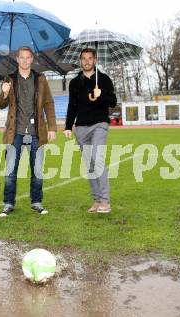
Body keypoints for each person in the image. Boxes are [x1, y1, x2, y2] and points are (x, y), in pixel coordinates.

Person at [0, 46, 57, 217]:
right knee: (10, 171)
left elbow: (48, 104)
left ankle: (36, 202)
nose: (24, 60)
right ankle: (8, 203)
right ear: (17, 59)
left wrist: (52, 128)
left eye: (27, 57)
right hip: (14, 132)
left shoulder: (40, 79)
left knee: (37, 170)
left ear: (32, 60)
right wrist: (4, 93)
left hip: (36, 131)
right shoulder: (9, 79)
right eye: (21, 57)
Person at [63, 48, 117, 213]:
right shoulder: (74, 82)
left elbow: (113, 102)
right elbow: (72, 106)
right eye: (84, 59)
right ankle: (96, 200)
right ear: (80, 61)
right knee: (90, 166)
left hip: (99, 125)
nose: (87, 61)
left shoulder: (104, 79)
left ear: (95, 60)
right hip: (81, 128)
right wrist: (68, 126)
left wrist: (100, 95)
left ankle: (105, 202)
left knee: (97, 158)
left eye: (90, 58)